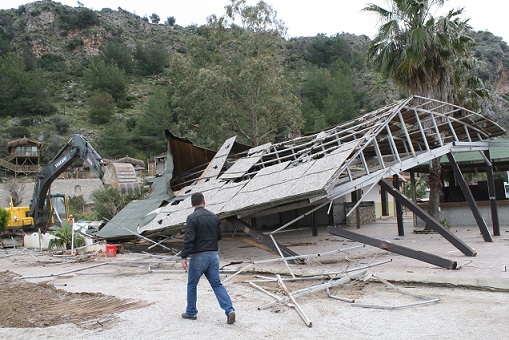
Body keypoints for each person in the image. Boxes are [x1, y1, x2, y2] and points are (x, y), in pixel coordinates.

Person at [180, 192, 236, 324]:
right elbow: (219, 236)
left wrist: (184, 256)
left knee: (192, 285)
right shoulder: (213, 217)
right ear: (204, 202)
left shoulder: (192, 218)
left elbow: (189, 239)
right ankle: (230, 310)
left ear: (192, 204)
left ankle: (191, 312)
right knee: (217, 284)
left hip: (198, 256)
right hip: (213, 256)